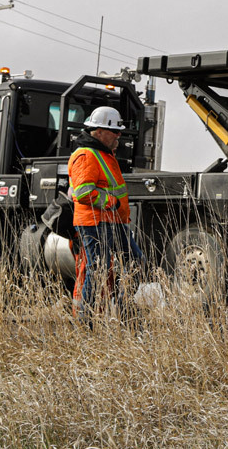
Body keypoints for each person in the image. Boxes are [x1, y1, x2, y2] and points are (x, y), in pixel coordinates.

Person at [68, 105, 143, 322]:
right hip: (95, 222)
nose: (119, 135)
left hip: (113, 221)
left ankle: (124, 309)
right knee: (98, 269)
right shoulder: (86, 155)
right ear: (99, 131)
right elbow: (83, 192)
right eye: (115, 131)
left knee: (136, 261)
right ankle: (86, 320)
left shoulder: (103, 155)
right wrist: (112, 203)